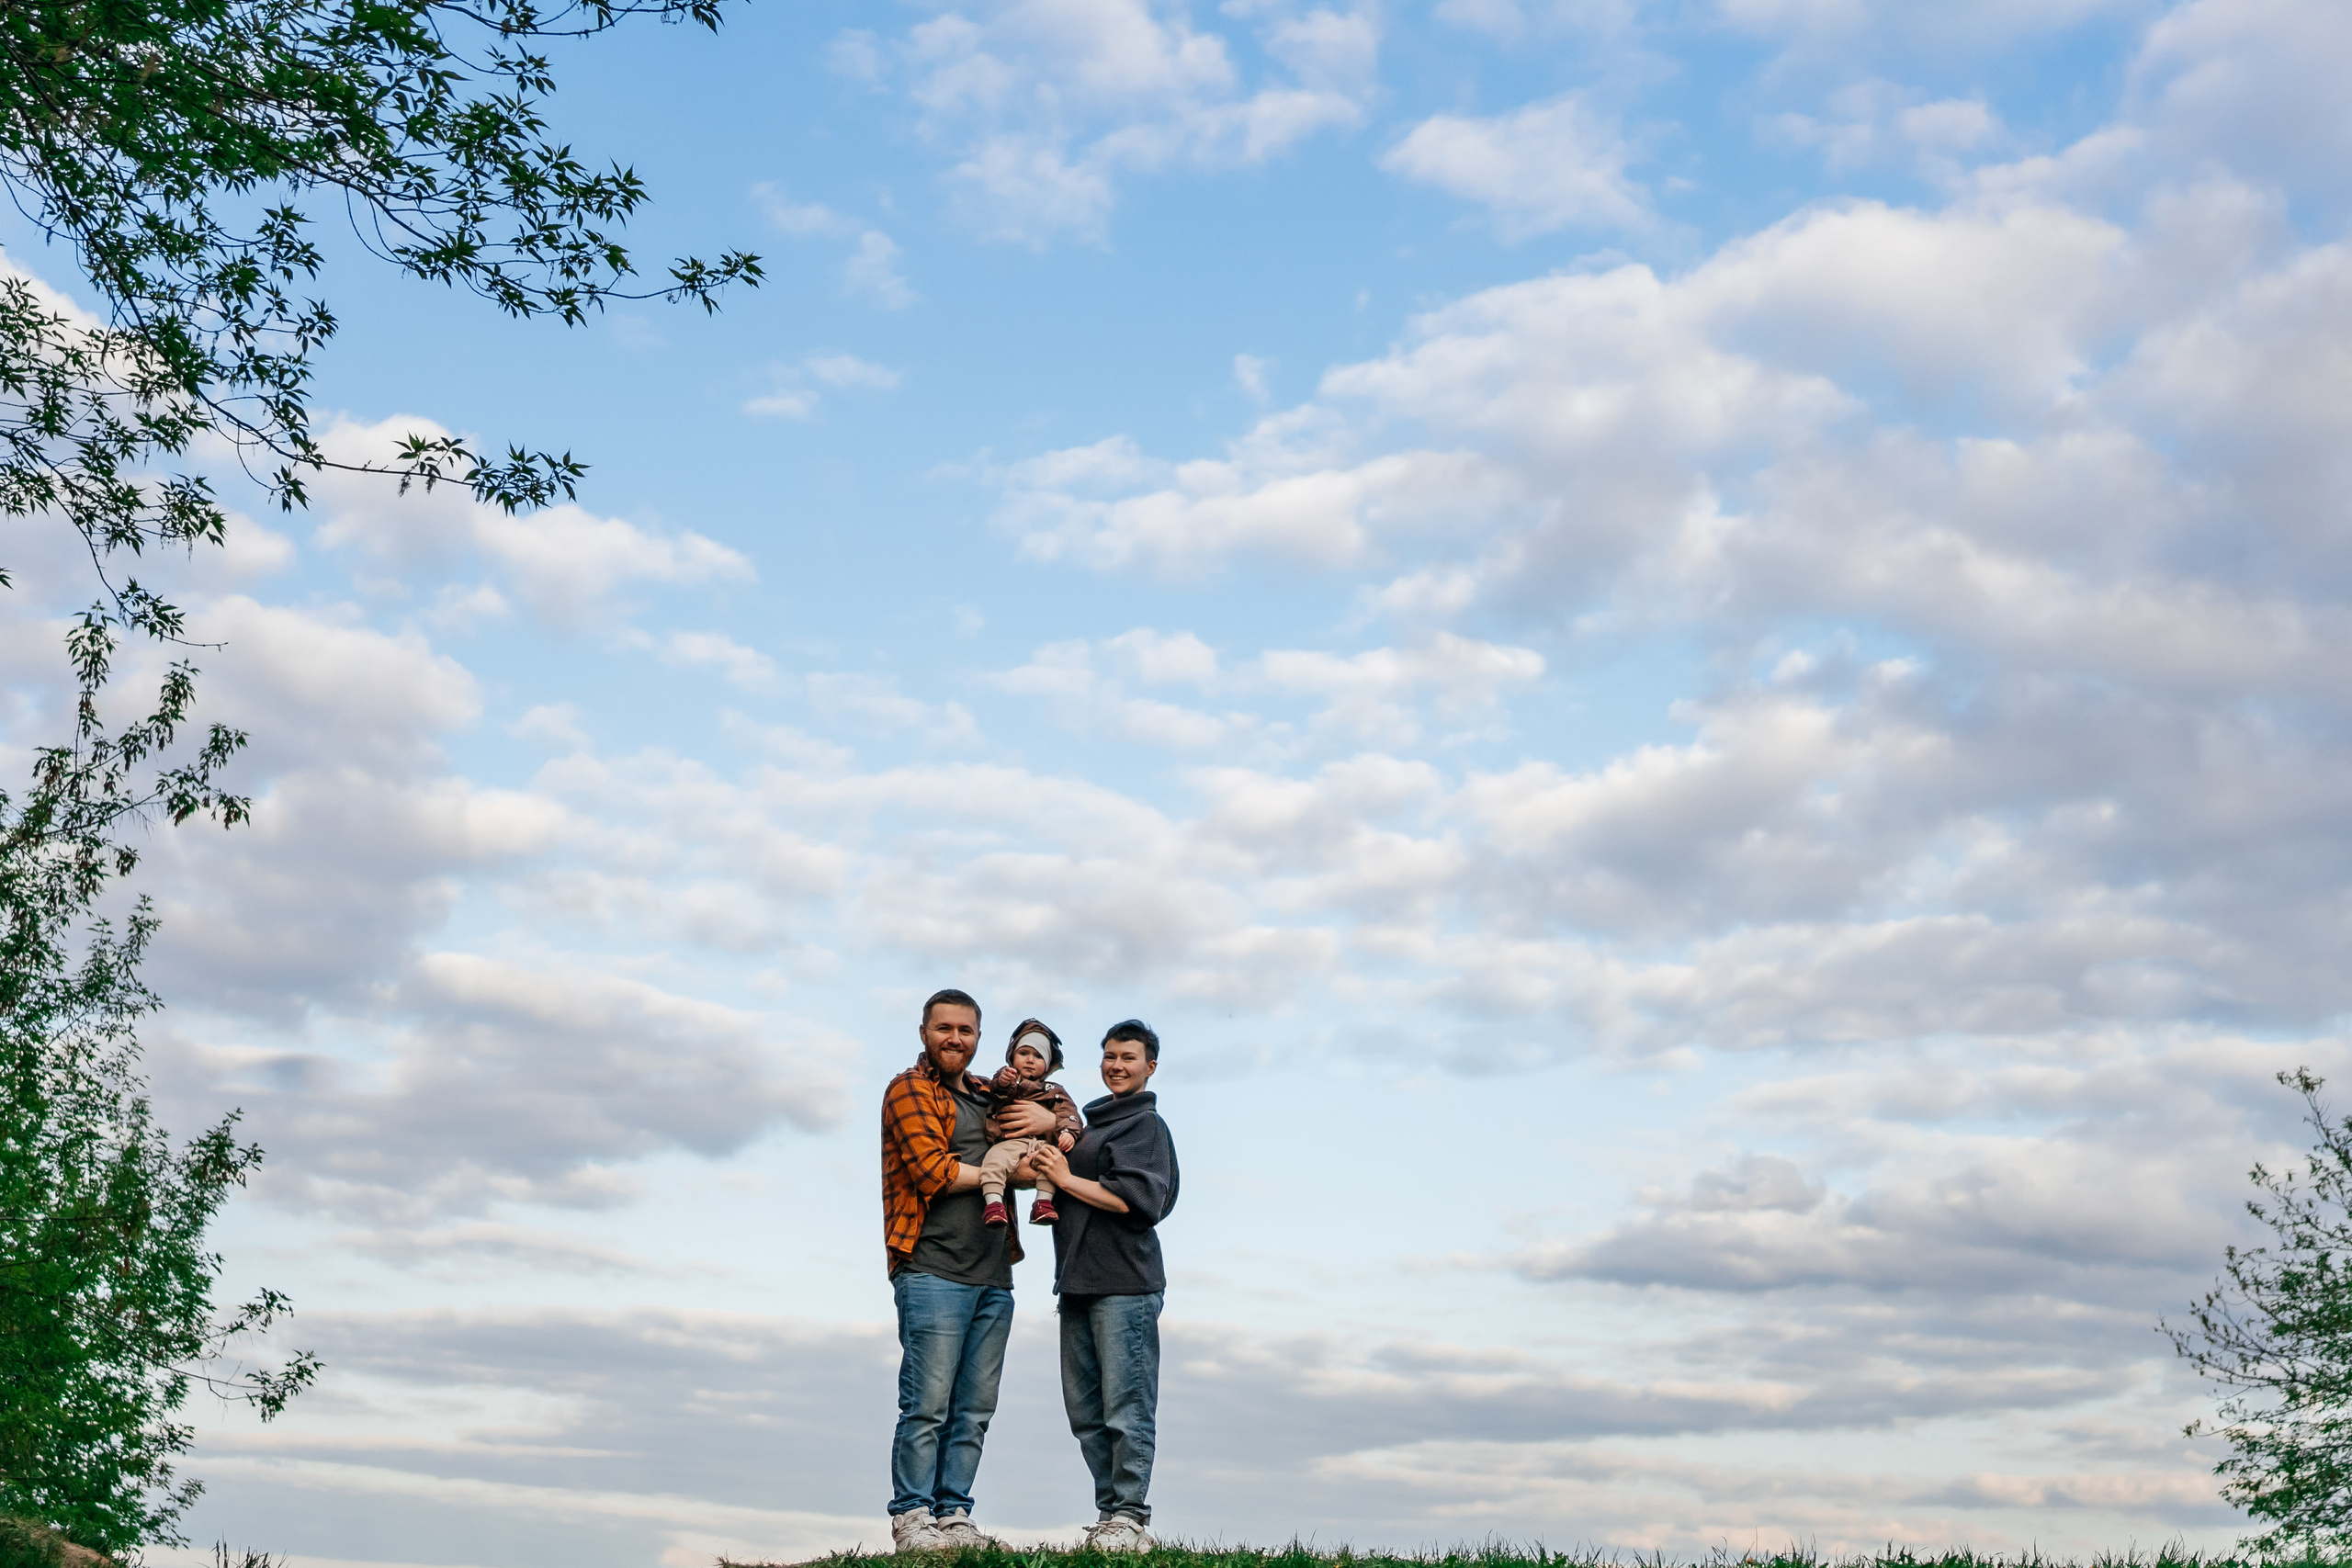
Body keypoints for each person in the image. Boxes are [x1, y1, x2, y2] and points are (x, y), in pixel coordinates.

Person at [1012, 1019, 1180, 1552]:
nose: (1116, 1065)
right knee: (1086, 1412)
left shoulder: (1145, 1126)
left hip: (1125, 1284)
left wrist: (1063, 1179)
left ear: (1150, 1066)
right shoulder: (1091, 1124)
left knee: (1125, 1407)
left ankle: (1130, 1517)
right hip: (1078, 1283)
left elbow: (1138, 1202)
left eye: (1128, 1057)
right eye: (1109, 1055)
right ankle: (1110, 1518)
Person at [879, 987, 1023, 1553]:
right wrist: (1005, 1172)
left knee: (974, 1409)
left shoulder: (992, 1096)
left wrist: (1046, 1121)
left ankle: (954, 1515)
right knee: (927, 1404)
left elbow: (1048, 1131)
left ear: (979, 1038)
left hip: (994, 1275)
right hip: (931, 1269)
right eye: (944, 1028)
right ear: (924, 1033)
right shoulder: (909, 1089)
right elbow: (931, 1171)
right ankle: (912, 1516)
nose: (954, 1039)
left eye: (965, 1031)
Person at [978, 1018, 1085, 1228]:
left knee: (1052, 1161)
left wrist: (1067, 1132)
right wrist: (1003, 1081)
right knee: (994, 1160)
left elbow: (1068, 1112)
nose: (1030, 1060)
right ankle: (993, 1204)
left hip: (1040, 1143)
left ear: (1047, 1064)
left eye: (1038, 1056)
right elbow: (997, 1095)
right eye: (1023, 1053)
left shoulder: (1053, 1090)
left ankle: (1043, 1202)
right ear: (1012, 1056)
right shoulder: (1008, 1081)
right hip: (1010, 1142)